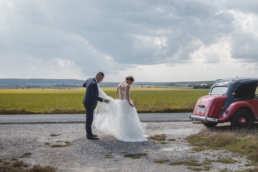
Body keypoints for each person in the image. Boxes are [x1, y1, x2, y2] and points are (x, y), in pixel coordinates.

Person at [93, 76, 147, 142]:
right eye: (131, 82)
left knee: (122, 117)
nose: (131, 83)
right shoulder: (127, 85)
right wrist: (129, 102)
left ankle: (122, 131)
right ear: (128, 80)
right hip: (125, 102)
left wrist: (116, 99)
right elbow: (127, 95)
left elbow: (116, 92)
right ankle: (128, 132)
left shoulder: (120, 84)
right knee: (128, 116)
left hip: (120, 102)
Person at [82, 72, 110, 140]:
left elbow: (84, 85)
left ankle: (90, 133)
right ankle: (89, 135)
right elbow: (94, 96)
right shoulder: (94, 84)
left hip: (86, 101)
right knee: (89, 119)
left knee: (89, 118)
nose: (101, 80)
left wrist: (89, 89)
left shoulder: (89, 79)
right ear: (98, 76)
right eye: (101, 78)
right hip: (90, 103)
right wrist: (103, 100)